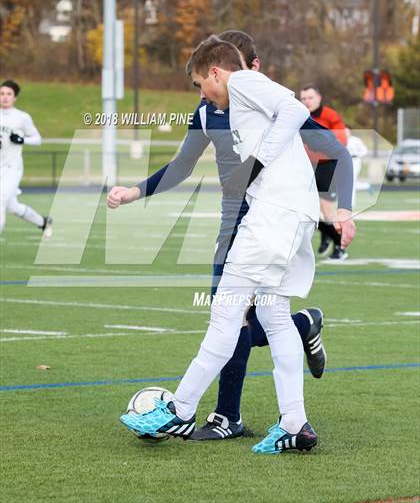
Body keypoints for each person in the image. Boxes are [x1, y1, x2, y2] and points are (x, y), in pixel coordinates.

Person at [109, 30, 355, 442]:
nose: (201, 94)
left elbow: (295, 112)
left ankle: (180, 410)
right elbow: (184, 164)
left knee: (226, 314)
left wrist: (258, 164)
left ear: (217, 72)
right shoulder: (222, 106)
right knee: (274, 318)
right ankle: (294, 424)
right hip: (287, 216)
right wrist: (136, 192)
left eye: (199, 83)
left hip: (271, 217)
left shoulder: (241, 82)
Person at [300, 85, 348, 260]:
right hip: (306, 166)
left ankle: (340, 246)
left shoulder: (330, 115)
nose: (307, 102)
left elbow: (342, 140)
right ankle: (326, 232)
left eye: (310, 98)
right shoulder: (299, 115)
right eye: (303, 98)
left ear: (318, 98)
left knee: (328, 211)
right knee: (304, 208)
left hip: (327, 165)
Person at [0, 80, 52, 236]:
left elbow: (37, 139)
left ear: (15, 97)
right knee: (12, 207)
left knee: (0, 201)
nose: (5, 97)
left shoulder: (22, 117)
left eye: (9, 94)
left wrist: (22, 140)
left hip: (12, 168)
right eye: (2, 94)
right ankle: (44, 222)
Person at [345, 126, 368, 207]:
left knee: (352, 180)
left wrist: (357, 154)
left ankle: (351, 202)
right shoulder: (339, 139)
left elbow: (364, 150)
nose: (345, 132)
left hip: (355, 161)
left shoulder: (356, 140)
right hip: (344, 162)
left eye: (346, 130)